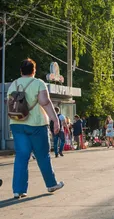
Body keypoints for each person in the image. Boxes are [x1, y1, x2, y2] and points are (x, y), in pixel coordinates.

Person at [8, 58, 64, 198]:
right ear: (34, 70)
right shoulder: (38, 83)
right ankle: (51, 184)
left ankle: (18, 190)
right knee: (42, 155)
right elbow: (45, 102)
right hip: (37, 125)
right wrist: (55, 120)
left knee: (21, 156)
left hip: (16, 124)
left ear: (21, 71)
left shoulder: (13, 84)